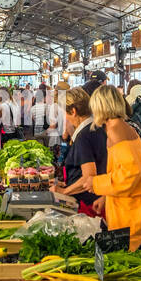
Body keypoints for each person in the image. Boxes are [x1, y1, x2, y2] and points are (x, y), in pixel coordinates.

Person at [72, 85, 141, 249]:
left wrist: (96, 184)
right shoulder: (121, 127)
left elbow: (130, 175)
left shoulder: (117, 130)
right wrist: (105, 197)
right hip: (126, 207)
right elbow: (122, 170)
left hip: (130, 213)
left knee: (131, 261)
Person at [57, 87, 109, 216]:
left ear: (73, 111)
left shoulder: (84, 136)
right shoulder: (96, 128)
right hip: (100, 198)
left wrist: (64, 191)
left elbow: (89, 176)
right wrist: (68, 183)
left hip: (89, 204)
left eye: (63, 112)